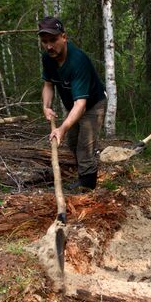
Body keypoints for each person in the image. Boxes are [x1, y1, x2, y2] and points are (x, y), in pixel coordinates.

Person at [39, 16, 107, 191]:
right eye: (44, 41)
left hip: (93, 104)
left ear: (64, 37)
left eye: (53, 40)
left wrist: (61, 128)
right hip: (74, 105)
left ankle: (88, 187)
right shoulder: (47, 58)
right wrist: (46, 106)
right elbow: (48, 84)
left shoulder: (78, 61)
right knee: (73, 142)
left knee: (85, 146)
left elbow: (81, 105)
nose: (49, 46)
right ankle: (84, 175)